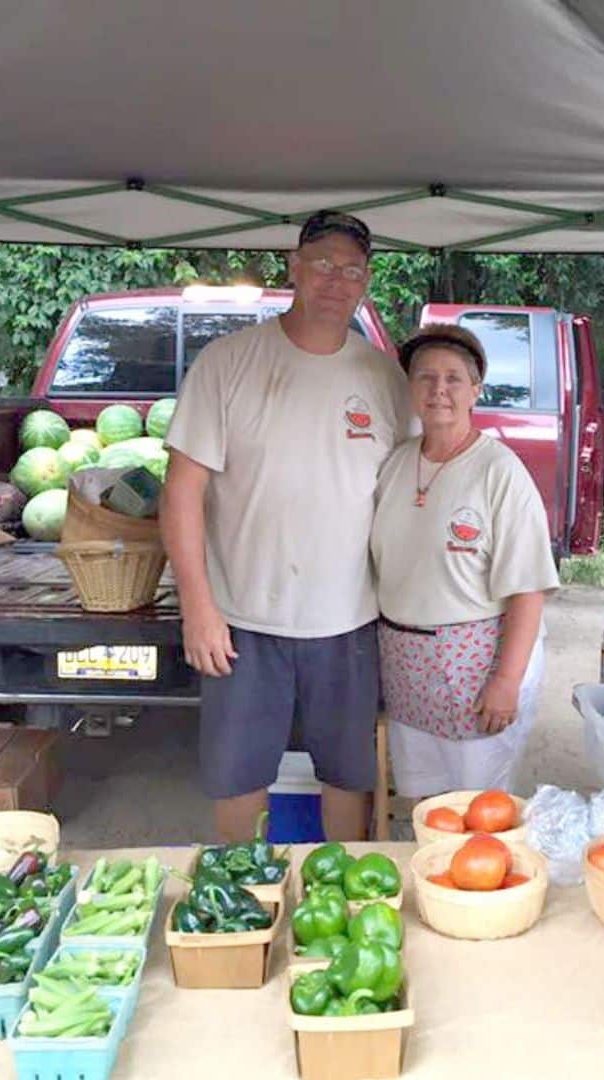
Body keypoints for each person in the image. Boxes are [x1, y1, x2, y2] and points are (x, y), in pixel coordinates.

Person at [160, 210, 413, 842]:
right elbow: (181, 494)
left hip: (350, 621)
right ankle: (240, 905)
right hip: (243, 619)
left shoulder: (385, 377)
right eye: (323, 264)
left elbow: (412, 492)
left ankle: (342, 895)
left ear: (366, 281)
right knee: (238, 777)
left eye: (352, 269)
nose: (336, 280)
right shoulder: (228, 363)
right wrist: (199, 608)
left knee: (350, 776)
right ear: (293, 268)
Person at [369, 325, 560, 798]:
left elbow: (527, 589)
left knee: (480, 812)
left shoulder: (500, 471)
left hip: (476, 665)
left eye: (454, 378)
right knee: (424, 802)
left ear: (476, 389)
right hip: (406, 663)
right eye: (425, 378)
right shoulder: (395, 463)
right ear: (409, 388)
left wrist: (506, 680)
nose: (439, 390)